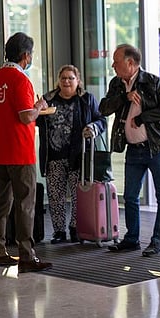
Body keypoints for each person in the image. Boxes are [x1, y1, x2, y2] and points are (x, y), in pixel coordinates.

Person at [0, 32, 53, 273]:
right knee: (25, 204)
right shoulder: (21, 81)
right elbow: (26, 116)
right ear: (25, 56)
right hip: (20, 152)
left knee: (1, 202)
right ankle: (26, 256)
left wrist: (1, 117)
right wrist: (40, 106)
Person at [99, 44, 160, 257]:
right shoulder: (116, 84)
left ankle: (157, 241)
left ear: (130, 63)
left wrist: (143, 117)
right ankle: (131, 239)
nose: (113, 65)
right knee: (131, 196)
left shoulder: (153, 82)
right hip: (133, 150)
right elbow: (104, 108)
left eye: (117, 61)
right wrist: (124, 98)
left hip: (157, 148)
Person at [36, 65, 107, 244]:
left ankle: (76, 228)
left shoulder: (86, 99)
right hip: (53, 157)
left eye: (70, 78)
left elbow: (101, 120)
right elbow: (35, 120)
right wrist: (38, 108)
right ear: (58, 81)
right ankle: (59, 231)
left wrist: (93, 128)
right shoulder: (48, 99)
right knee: (55, 195)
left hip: (79, 156)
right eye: (63, 78)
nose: (66, 81)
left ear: (78, 81)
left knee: (79, 195)